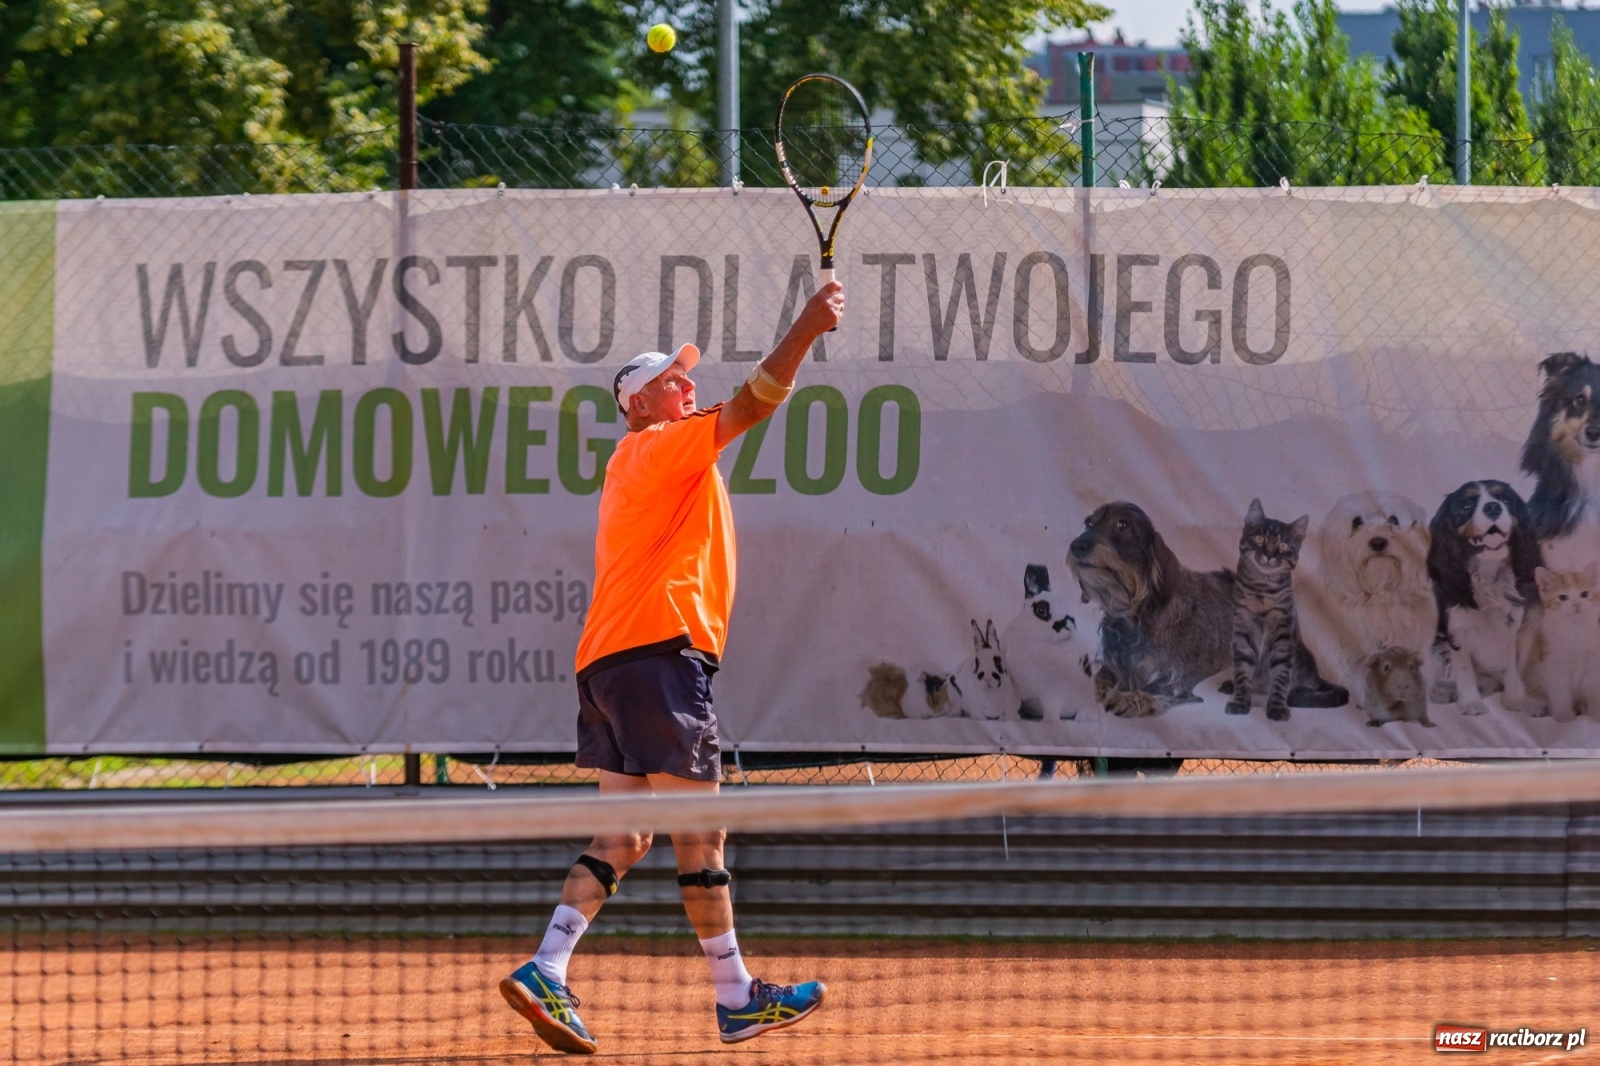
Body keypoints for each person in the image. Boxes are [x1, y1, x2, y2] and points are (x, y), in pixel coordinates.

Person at [499, 279, 847, 1055]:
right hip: (658, 654)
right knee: (702, 834)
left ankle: (547, 967)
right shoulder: (660, 446)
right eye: (671, 381)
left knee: (625, 835)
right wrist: (808, 326)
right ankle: (736, 996)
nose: (688, 387)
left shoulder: (644, 462)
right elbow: (755, 402)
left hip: (609, 666)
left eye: (687, 378)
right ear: (638, 405)